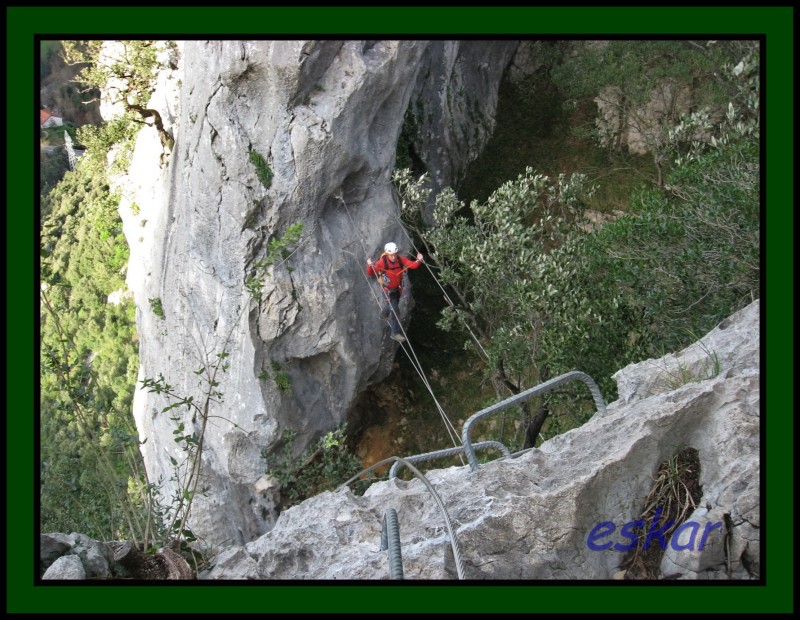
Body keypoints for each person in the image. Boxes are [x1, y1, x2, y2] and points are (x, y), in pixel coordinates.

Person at [366, 242, 423, 342]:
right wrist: (370, 265)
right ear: (387, 254)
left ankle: (383, 314)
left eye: (395, 254)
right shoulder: (381, 263)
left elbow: (412, 265)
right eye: (391, 255)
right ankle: (395, 333)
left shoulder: (400, 259)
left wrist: (419, 260)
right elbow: (371, 273)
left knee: (392, 305)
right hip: (387, 290)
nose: (393, 257)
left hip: (398, 289)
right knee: (395, 310)